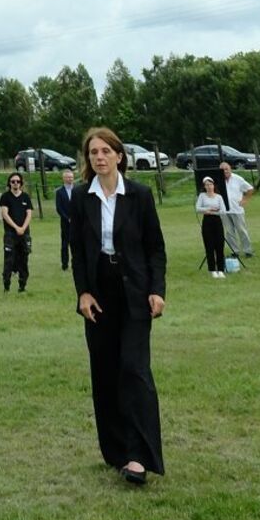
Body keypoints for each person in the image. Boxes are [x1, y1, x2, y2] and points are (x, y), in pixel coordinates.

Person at [69, 126, 166, 484]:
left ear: (119, 156)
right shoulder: (81, 198)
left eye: (105, 151)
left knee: (134, 368)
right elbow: (77, 251)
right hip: (99, 294)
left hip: (135, 291)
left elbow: (155, 247)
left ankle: (140, 456)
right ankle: (117, 450)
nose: (99, 157)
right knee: (106, 371)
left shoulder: (139, 195)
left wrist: (157, 290)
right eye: (93, 152)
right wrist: (83, 293)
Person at [0, 171, 33, 292]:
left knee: (24, 259)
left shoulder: (26, 197)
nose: (15, 183)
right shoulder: (5, 197)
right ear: (9, 183)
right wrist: (16, 227)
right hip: (10, 234)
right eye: (13, 181)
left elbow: (29, 214)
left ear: (21, 183)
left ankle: (22, 285)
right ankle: (6, 285)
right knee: (9, 260)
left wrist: (23, 228)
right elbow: (4, 213)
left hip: (24, 234)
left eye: (18, 181)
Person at [219, 159, 255, 258]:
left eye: (226, 169)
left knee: (241, 230)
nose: (225, 171)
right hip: (224, 210)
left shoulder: (238, 179)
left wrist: (245, 200)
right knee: (229, 232)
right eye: (222, 170)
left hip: (237, 209)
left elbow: (250, 189)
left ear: (230, 169)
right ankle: (234, 251)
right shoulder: (218, 180)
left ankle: (248, 250)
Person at [195, 175, 227, 276]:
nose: (209, 187)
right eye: (207, 185)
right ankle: (212, 269)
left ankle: (221, 269)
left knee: (219, 245)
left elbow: (223, 211)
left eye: (210, 184)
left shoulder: (219, 197)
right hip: (207, 221)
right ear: (204, 186)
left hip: (217, 221)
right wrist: (207, 210)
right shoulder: (202, 196)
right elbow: (198, 208)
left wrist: (212, 211)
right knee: (209, 245)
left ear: (213, 185)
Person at [54, 166, 76, 271]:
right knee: (65, 244)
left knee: (76, 244)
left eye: (71, 177)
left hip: (77, 222)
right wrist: (67, 218)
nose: (70, 179)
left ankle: (77, 263)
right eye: (68, 177)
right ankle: (64, 264)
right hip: (65, 222)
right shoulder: (59, 192)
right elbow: (59, 208)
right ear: (64, 178)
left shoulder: (78, 190)